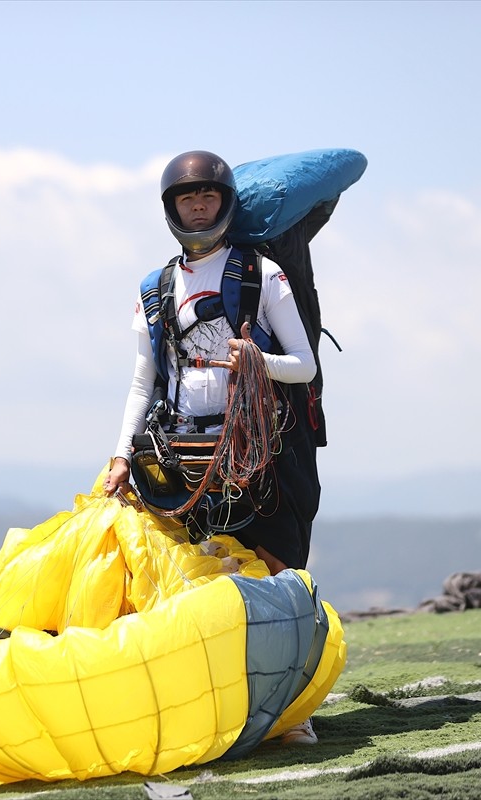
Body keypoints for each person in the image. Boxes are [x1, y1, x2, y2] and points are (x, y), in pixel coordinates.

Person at [103, 150, 321, 745]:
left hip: (259, 452)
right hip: (178, 455)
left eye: (208, 197)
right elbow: (144, 378)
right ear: (171, 208)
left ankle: (291, 708)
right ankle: (207, 703)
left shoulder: (261, 274)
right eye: (186, 198)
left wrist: (256, 359)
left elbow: (302, 366)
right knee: (196, 580)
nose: (197, 206)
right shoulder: (156, 289)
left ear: (225, 203)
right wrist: (123, 454)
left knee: (278, 574)